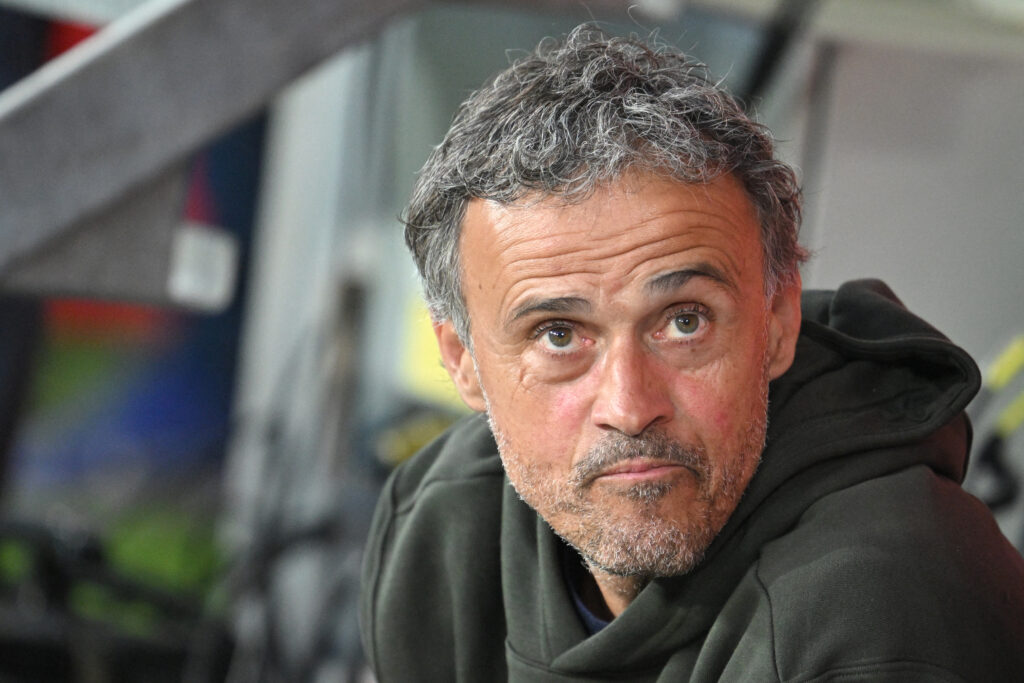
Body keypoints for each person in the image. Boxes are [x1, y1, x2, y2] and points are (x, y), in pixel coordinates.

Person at [359, 25, 1024, 681]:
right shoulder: (441, 530)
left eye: (683, 322)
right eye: (559, 334)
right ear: (463, 359)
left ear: (777, 320)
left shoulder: (883, 608)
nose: (629, 406)